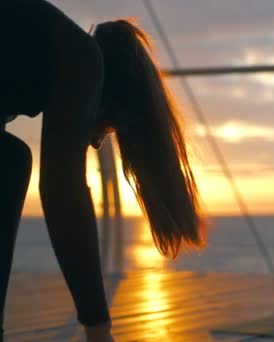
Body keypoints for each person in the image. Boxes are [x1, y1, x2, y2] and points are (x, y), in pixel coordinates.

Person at [0, 1, 207, 341]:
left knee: (9, 158)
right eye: (109, 131)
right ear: (114, 101)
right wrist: (99, 328)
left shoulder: (33, 45)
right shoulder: (82, 58)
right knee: (7, 164)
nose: (97, 143)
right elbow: (61, 190)